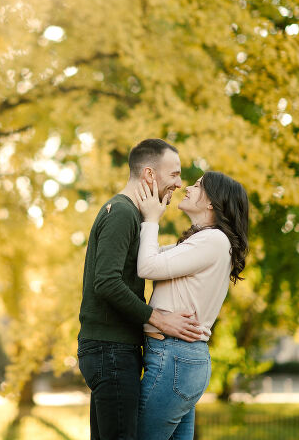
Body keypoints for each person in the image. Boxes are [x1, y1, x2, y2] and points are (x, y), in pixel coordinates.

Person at [77, 139, 208, 440]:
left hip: (111, 349)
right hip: (110, 351)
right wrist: (159, 319)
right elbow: (107, 282)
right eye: (173, 174)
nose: (178, 183)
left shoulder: (132, 216)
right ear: (150, 175)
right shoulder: (122, 213)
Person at [134, 171, 249, 440]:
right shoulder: (206, 240)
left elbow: (147, 266)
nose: (187, 187)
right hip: (180, 360)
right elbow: (151, 254)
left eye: (198, 186)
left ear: (212, 202)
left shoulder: (214, 240)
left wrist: (152, 219)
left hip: (174, 358)